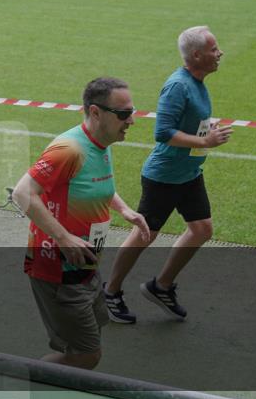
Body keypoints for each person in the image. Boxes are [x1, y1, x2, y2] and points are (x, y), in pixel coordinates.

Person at [12, 77, 150, 370]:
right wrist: (63, 238)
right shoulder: (69, 150)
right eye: (123, 114)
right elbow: (23, 193)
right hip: (57, 269)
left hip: (85, 264)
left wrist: (125, 209)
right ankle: (19, 382)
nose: (132, 121)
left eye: (132, 112)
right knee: (87, 355)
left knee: (90, 339)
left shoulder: (102, 142)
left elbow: (96, 185)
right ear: (96, 112)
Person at [104, 25, 231, 324]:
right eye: (214, 49)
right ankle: (110, 292)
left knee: (202, 230)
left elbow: (186, 122)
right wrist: (204, 141)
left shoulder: (198, 81)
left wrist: (206, 128)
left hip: (188, 173)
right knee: (145, 233)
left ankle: (160, 286)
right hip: (164, 176)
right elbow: (162, 133)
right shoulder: (178, 85)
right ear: (197, 55)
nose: (220, 53)